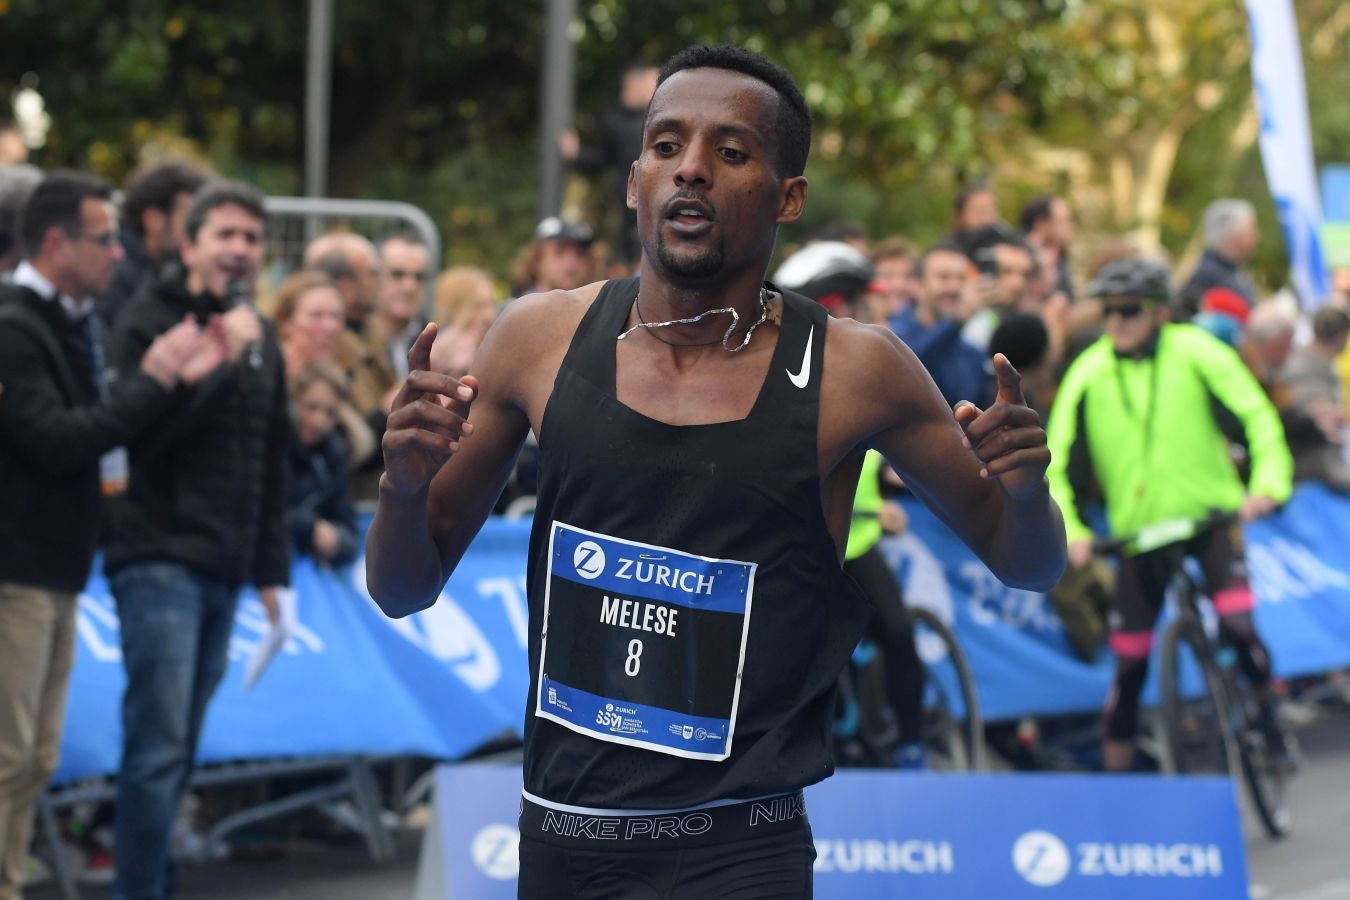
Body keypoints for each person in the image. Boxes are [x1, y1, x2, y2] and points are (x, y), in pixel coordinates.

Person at [366, 44, 1065, 895]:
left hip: (743, 851)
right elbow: (403, 588)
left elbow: (1028, 563)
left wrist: (1027, 496)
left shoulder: (858, 372)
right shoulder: (536, 339)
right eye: (666, 146)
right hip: (564, 840)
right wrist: (401, 490)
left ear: (789, 195)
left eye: (730, 153)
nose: (690, 170)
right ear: (633, 180)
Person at [0, 171, 224, 900]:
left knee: (34, 756)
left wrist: (170, 386)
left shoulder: (69, 322)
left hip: (57, 569)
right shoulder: (15, 324)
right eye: (103, 239)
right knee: (9, 754)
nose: (119, 255)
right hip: (18, 570)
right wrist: (155, 380)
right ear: (58, 243)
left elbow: (99, 440)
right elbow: (56, 441)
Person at [105, 180, 290, 899]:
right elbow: (133, 446)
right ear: (190, 244)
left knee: (178, 749)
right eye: (225, 236)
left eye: (250, 238)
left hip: (226, 561)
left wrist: (272, 575)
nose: (240, 250)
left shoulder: (259, 334)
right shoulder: (143, 319)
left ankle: (154, 882)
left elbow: (268, 456)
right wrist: (209, 367)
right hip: (156, 559)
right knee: (156, 751)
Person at [1045, 255, 1294, 773]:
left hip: (1211, 521)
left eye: (1129, 310)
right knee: (1129, 664)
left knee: (1239, 625)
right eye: (1107, 311)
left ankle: (1269, 714)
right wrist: (1072, 529)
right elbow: (1057, 463)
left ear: (1158, 311)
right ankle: (1119, 792)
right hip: (1138, 538)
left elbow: (1258, 419)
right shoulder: (1088, 371)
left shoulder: (1198, 350)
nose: (1115, 321)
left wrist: (1267, 486)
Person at [272, 270, 376, 470]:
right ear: (286, 322)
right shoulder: (272, 377)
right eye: (316, 316)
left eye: (336, 316)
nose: (329, 327)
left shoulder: (336, 377)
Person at [561, 63, 659, 264]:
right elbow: (606, 157)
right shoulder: (613, 119)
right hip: (629, 199)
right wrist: (577, 155)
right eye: (653, 83)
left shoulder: (657, 117)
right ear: (635, 85)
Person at [101, 159, 209, 327]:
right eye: (192, 219)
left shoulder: (163, 274)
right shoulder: (114, 279)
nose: (200, 232)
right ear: (153, 219)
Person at [287, 360, 360, 566]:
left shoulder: (334, 455)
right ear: (293, 401)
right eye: (311, 408)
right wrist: (310, 528)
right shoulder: (269, 445)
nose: (319, 421)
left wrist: (336, 541)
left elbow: (349, 532)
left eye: (330, 413)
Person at [1279, 306, 1350, 491]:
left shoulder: (1315, 359)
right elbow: (1323, 420)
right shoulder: (1305, 368)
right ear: (1342, 336)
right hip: (1315, 467)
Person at [1177, 198, 1260, 322]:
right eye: (1251, 229)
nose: (1257, 236)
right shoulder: (1206, 274)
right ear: (1233, 235)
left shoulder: (1233, 271)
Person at [303, 231, 381, 332]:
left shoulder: (373, 331)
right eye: (373, 273)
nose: (379, 280)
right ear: (345, 283)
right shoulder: (325, 339)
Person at [429, 265, 498, 378]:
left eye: (492, 304)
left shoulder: (491, 345)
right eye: (478, 306)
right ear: (455, 307)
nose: (489, 315)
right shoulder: (441, 347)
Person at [511, 217, 598, 295]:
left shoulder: (599, 311)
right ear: (537, 260)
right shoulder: (512, 311)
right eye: (560, 252)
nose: (572, 262)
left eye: (580, 254)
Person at [1019, 195, 1076, 301]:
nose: (1072, 226)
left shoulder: (1059, 254)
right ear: (1041, 224)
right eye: (1064, 220)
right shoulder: (1018, 259)